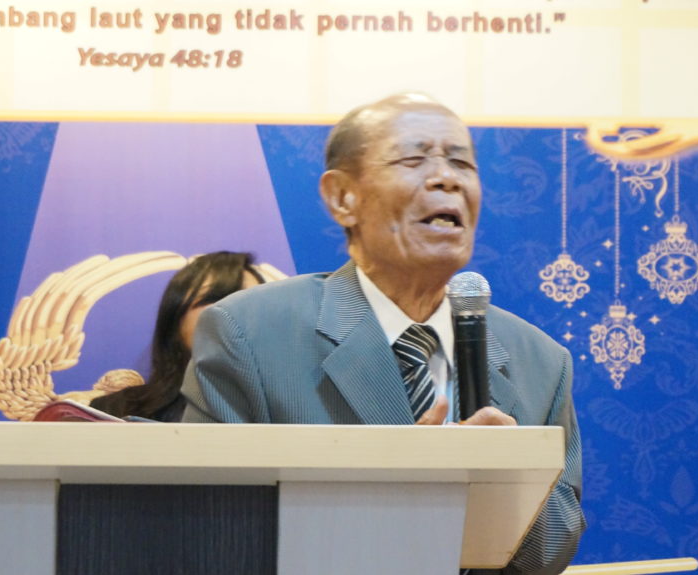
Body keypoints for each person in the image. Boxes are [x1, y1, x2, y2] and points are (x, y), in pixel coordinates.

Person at [179, 94, 586, 574]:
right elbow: (210, 530)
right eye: (414, 159)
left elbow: (553, 550)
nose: (447, 178)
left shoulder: (540, 360)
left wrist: (505, 485)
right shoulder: (249, 334)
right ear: (342, 197)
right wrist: (406, 489)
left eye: (462, 163)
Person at [89, 251, 264, 421]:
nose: (233, 314)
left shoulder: (278, 414)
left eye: (248, 304)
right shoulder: (115, 411)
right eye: (218, 299)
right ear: (175, 316)